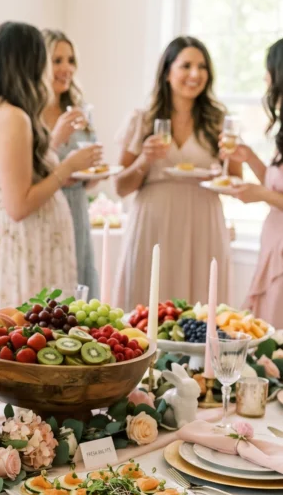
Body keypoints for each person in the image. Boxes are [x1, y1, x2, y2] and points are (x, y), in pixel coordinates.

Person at [0, 21, 102, 311]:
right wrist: (66, 167)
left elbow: (3, 184)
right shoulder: (13, 118)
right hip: (19, 256)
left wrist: (52, 150)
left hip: (6, 247)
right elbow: (18, 205)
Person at [113, 36, 241, 308]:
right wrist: (145, 159)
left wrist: (225, 169)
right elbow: (121, 187)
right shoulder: (143, 120)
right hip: (154, 222)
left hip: (203, 222)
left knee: (200, 307)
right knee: (147, 305)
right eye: (186, 66)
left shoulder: (218, 121)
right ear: (167, 72)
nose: (195, 74)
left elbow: (236, 183)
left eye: (202, 67)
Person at [223, 38, 283, 325]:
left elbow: (271, 194)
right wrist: (248, 157)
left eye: (268, 73)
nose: (265, 81)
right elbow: (276, 185)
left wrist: (261, 195)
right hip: (273, 240)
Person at [42, 29, 99, 297]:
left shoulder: (78, 110)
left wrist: (93, 171)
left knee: (79, 280)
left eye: (70, 60)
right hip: (45, 208)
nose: (67, 68)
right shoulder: (28, 114)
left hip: (76, 207)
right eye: (57, 61)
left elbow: (90, 176)